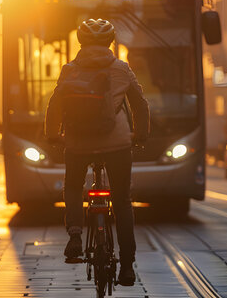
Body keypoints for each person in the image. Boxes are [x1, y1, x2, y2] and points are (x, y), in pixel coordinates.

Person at [44, 18, 149, 287]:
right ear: (110, 42)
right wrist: (141, 135)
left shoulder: (69, 70)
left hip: (78, 144)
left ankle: (76, 235)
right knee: (123, 200)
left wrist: (53, 135)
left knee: (72, 185)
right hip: (117, 145)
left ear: (81, 42)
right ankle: (126, 266)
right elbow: (140, 105)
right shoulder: (122, 70)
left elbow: (54, 105)